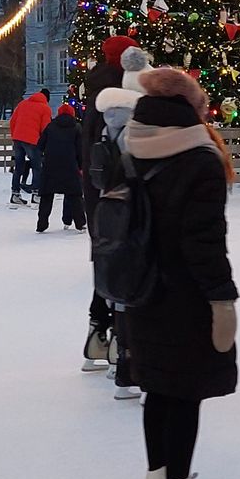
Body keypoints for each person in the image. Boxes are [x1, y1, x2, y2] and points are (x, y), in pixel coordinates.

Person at [117, 67, 237, 479]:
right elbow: (204, 241)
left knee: (160, 389)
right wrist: (221, 299)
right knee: (185, 392)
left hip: (141, 289)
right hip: (186, 295)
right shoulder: (198, 157)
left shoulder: (131, 146)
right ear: (192, 108)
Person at [79, 37, 138, 369]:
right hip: (117, 194)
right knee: (123, 263)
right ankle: (119, 343)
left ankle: (98, 335)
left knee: (107, 261)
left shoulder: (94, 95)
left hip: (96, 192)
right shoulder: (119, 101)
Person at [35, 103, 85, 232]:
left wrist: (43, 157)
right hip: (70, 166)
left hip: (50, 165)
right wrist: (80, 166)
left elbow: (40, 145)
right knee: (75, 195)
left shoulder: (50, 126)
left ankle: (42, 224)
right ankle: (80, 223)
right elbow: (80, 150)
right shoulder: (76, 128)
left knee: (47, 196)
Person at [7, 89, 53, 206]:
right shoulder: (45, 108)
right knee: (37, 167)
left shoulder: (23, 104)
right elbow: (45, 129)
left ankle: (15, 194)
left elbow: (12, 121)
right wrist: (44, 145)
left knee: (18, 167)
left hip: (18, 139)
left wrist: (15, 135)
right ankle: (36, 194)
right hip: (32, 141)